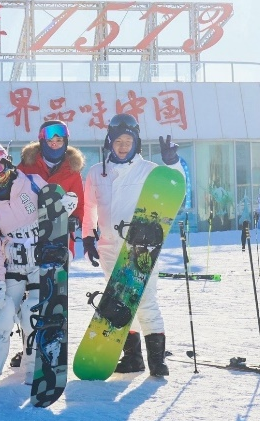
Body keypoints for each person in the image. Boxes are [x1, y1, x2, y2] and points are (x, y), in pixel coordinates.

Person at [81, 113, 182, 377]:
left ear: (136, 142)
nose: (123, 146)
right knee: (119, 302)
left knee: (145, 300)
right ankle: (132, 358)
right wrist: (88, 237)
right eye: (118, 141)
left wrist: (173, 163)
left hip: (142, 247)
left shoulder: (148, 169)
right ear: (110, 142)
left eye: (128, 141)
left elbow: (175, 188)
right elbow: (89, 207)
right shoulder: (96, 172)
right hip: (108, 246)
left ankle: (157, 360)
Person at [10, 119, 86, 367]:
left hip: (59, 242)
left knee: (52, 298)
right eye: (50, 139)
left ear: (65, 141)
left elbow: (80, 206)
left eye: (59, 139)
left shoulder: (72, 171)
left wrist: (73, 220)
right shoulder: (27, 166)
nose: (55, 143)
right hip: (29, 241)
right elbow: (14, 196)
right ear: (42, 141)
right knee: (30, 301)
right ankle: (29, 349)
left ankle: (51, 344)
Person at [0, 143, 49, 388]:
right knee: (1, 311)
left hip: (40, 260)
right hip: (13, 262)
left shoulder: (32, 183)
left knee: (33, 312)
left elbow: (55, 211)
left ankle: (34, 365)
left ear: (6, 162)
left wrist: (64, 207)